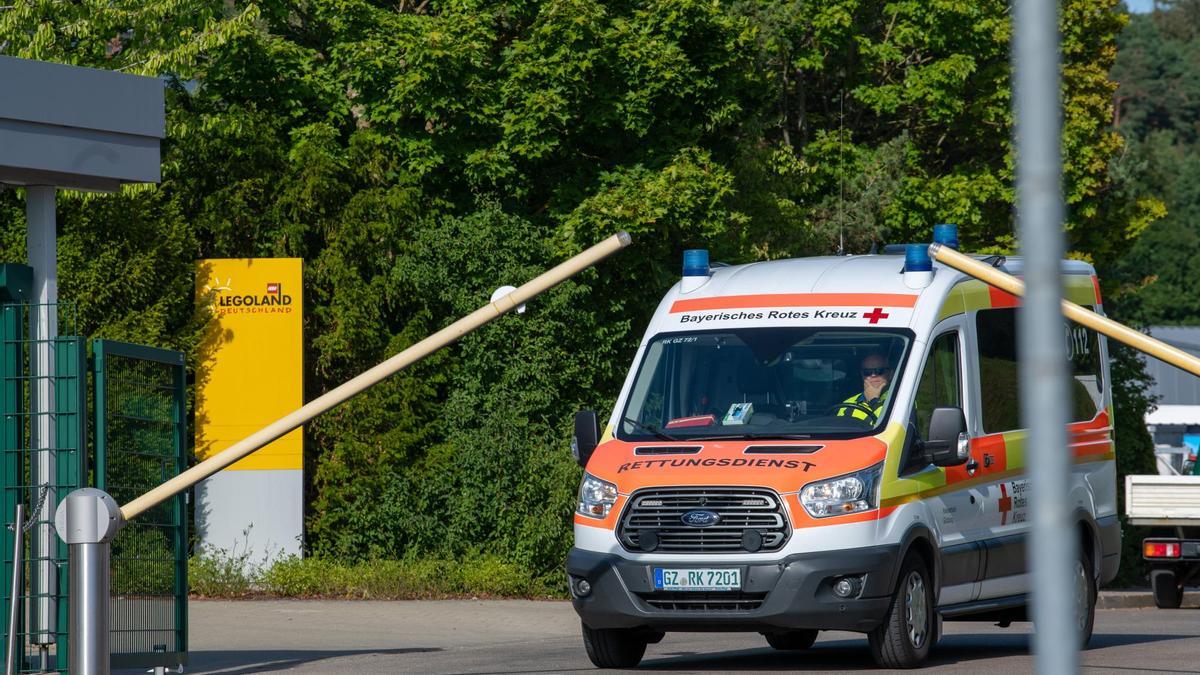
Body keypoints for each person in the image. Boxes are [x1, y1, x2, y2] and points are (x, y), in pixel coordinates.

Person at [837, 351, 892, 421]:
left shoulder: (898, 399)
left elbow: (891, 425)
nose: (873, 375)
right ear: (862, 375)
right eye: (867, 372)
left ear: (891, 374)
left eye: (879, 371)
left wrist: (874, 401)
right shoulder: (848, 403)